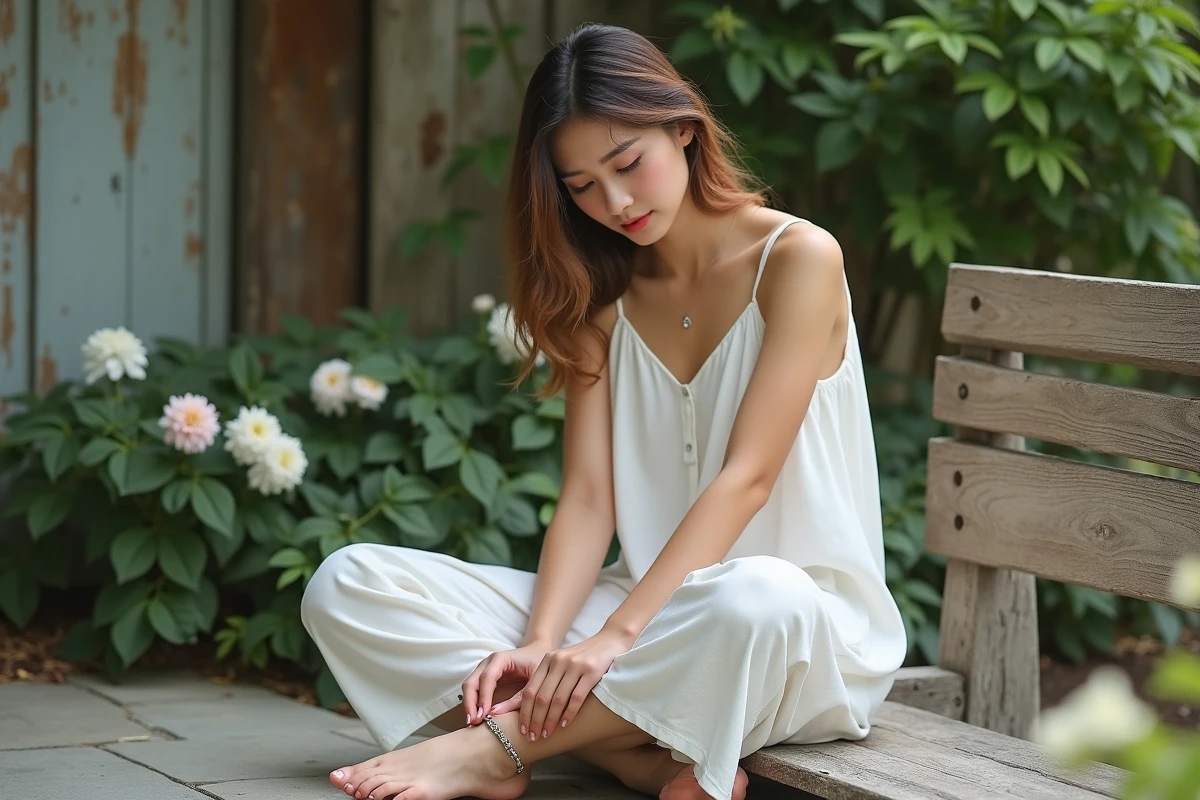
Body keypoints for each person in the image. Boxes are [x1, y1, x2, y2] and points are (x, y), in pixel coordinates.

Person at [301, 22, 906, 800]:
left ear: (683, 129)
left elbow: (749, 477)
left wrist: (615, 642)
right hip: (643, 616)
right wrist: (545, 643)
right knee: (348, 582)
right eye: (582, 185)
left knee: (760, 593)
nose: (614, 202)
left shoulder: (798, 260)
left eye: (628, 165)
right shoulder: (603, 303)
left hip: (793, 635)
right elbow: (589, 499)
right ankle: (630, 753)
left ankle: (494, 751)